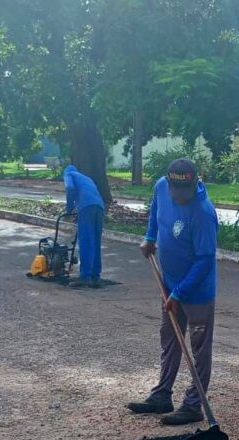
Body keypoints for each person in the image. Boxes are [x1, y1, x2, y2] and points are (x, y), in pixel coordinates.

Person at [127, 159, 218, 426]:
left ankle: (193, 405)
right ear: (168, 183)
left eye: (185, 190)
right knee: (169, 339)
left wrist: (178, 293)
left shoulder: (203, 213)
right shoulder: (160, 188)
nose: (179, 196)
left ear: (195, 184)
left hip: (196, 292)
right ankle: (162, 395)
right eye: (175, 189)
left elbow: (205, 260)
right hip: (169, 284)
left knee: (199, 349)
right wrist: (150, 236)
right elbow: (156, 209)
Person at [63, 164, 105, 289]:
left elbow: (70, 188)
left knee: (86, 242)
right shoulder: (86, 178)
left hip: (87, 207)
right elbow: (89, 193)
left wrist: (69, 209)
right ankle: (96, 277)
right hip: (99, 207)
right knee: (96, 242)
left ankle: (85, 277)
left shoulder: (68, 174)